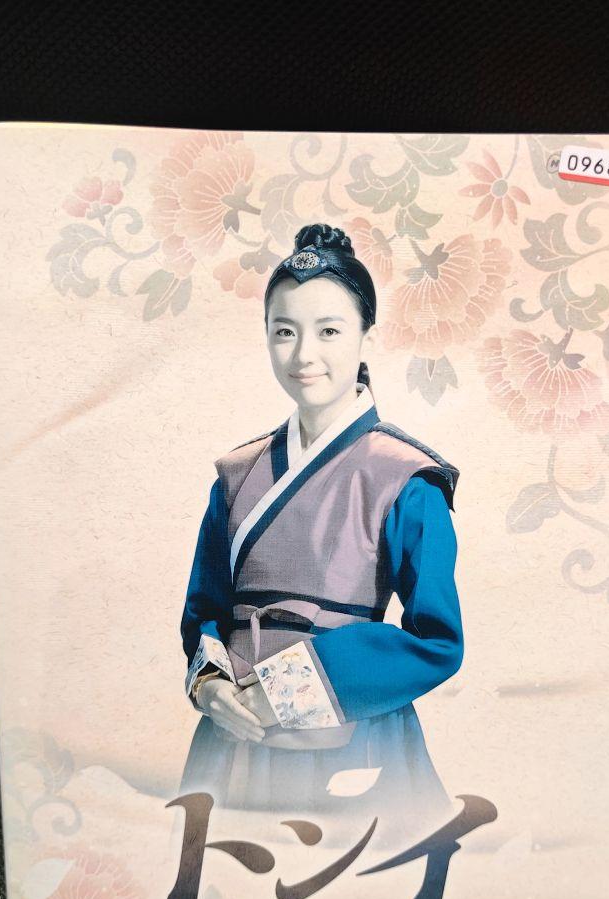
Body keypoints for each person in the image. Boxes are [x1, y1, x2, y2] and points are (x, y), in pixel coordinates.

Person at [176, 223, 463, 824]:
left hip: (353, 737)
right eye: (284, 332)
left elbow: (437, 641)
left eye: (329, 331)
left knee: (353, 874)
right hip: (234, 738)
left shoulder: (408, 480)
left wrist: (294, 688)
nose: (304, 355)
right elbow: (205, 610)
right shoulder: (236, 475)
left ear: (366, 336)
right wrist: (210, 685)